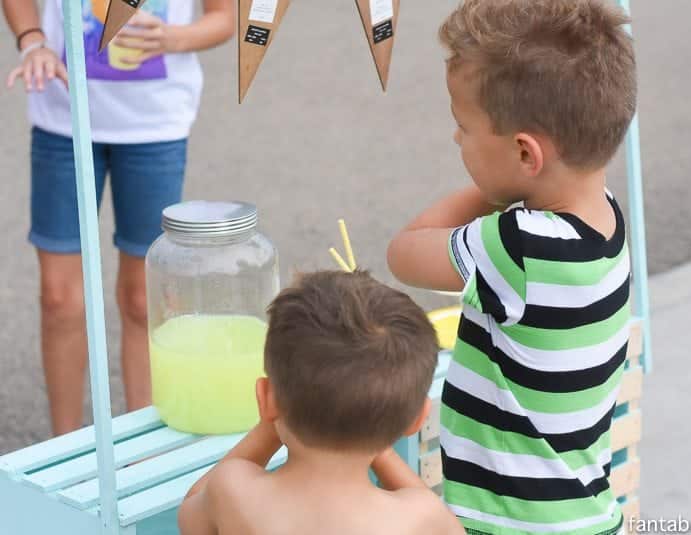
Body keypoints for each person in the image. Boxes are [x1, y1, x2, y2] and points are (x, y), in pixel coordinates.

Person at [387, 0, 637, 533]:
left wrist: (492, 188)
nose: (457, 139)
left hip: (510, 524)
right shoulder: (606, 215)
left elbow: (404, 252)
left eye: (464, 126)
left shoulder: (521, 247)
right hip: (582, 514)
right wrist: (513, 186)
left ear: (527, 154)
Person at [2, 0, 235, 435]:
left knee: (143, 300)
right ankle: (65, 448)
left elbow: (225, 17)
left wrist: (172, 38)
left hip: (155, 127)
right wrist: (31, 41)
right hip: (62, 119)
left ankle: (137, 449)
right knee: (58, 299)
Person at [178, 271, 464, 535]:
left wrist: (270, 423)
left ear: (266, 399)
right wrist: (377, 440)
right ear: (417, 418)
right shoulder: (419, 517)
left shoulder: (233, 491)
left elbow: (191, 518)